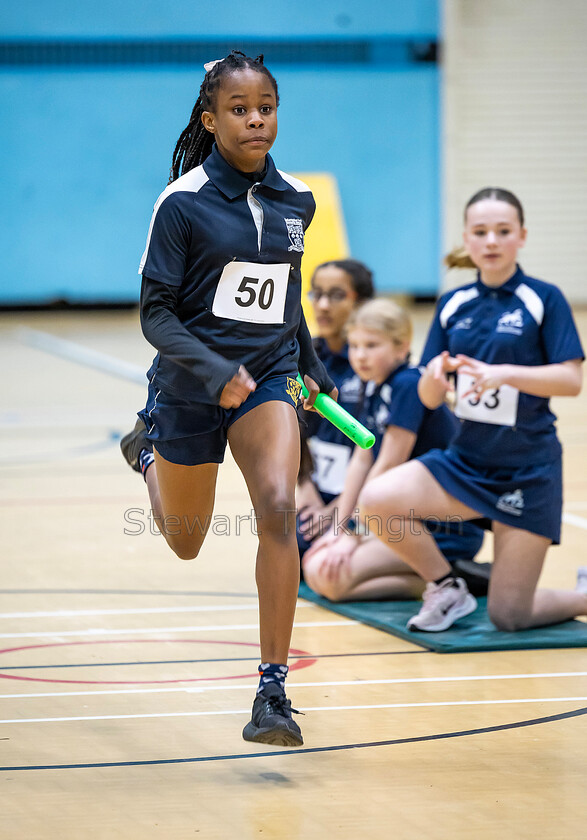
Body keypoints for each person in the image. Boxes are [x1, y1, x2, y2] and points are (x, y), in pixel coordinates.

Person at [119, 51, 336, 746]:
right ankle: (146, 450)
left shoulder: (297, 200)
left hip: (267, 378)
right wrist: (212, 371)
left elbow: (285, 298)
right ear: (211, 120)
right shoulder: (180, 204)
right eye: (239, 110)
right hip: (189, 385)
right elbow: (154, 315)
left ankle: (271, 691)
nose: (255, 120)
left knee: (277, 507)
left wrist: (312, 369)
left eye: (265, 108)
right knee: (185, 542)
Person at [359, 187, 587, 632]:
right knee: (377, 500)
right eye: (480, 232)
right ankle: (446, 588)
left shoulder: (545, 299)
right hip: (465, 466)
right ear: (467, 237)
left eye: (503, 231)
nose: (491, 242)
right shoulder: (453, 304)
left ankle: (583, 594)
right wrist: (432, 378)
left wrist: (505, 374)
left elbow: (571, 380)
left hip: (528, 472)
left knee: (509, 615)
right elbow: (427, 398)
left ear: (521, 236)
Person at [302, 298, 484, 605]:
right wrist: (339, 528)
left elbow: (387, 465)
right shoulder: (371, 384)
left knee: (328, 576)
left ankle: (452, 580)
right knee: (315, 568)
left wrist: (354, 535)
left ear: (402, 347)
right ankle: (448, 579)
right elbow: (362, 460)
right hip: (398, 518)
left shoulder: (408, 384)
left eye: (372, 345)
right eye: (355, 346)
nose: (360, 356)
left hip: (444, 527)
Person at [296, 259, 375, 557]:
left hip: (364, 499)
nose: (323, 305)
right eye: (317, 294)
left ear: (363, 302)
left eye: (337, 295)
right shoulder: (304, 359)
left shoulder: (377, 365)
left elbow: (382, 452)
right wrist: (305, 487)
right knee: (288, 549)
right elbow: (295, 432)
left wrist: (337, 510)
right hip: (318, 492)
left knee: (330, 562)